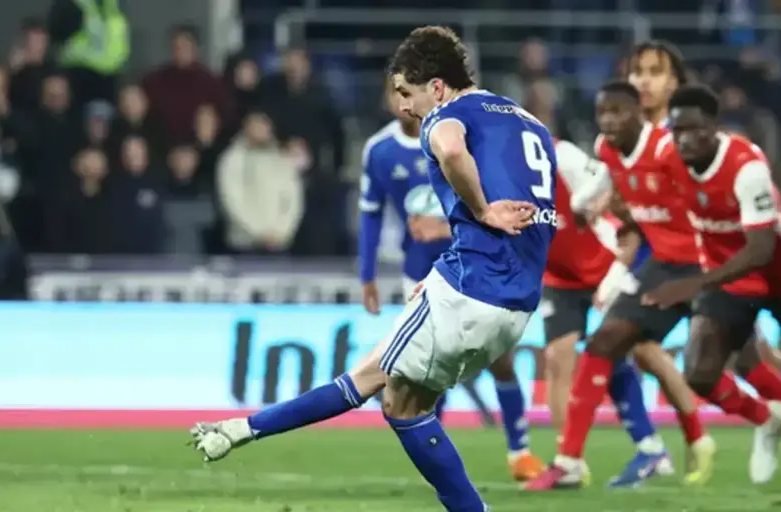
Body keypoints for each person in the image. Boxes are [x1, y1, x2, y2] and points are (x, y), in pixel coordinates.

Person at [193, 26, 555, 511]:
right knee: (405, 403)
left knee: (365, 384)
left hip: (471, 289)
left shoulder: (445, 116)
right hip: (518, 304)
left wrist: (484, 213)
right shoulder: (530, 123)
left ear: (438, 87)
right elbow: (538, 218)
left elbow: (450, 149)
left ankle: (242, 429)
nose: (404, 106)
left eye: (407, 92)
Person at [525, 82, 781, 491]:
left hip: (706, 263)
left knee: (746, 364)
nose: (610, 121)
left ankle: (778, 425)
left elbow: (695, 199)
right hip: (664, 265)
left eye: (620, 111)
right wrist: (598, 208)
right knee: (604, 343)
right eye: (604, 113)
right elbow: (623, 189)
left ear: (641, 114)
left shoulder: (673, 150)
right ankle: (568, 462)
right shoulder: (607, 148)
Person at [359, 80, 544, 481]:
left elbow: (483, 198)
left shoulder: (457, 130)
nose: (403, 102)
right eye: (396, 93)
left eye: (408, 91)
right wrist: (366, 275)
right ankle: (433, 455)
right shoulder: (379, 150)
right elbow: (371, 213)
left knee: (501, 364)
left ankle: (520, 451)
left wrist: (443, 229)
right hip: (420, 272)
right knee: (425, 370)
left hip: (474, 267)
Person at [644, 85, 781, 483]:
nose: (685, 139)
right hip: (729, 279)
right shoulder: (668, 158)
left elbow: (761, 250)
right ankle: (767, 420)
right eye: (677, 130)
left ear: (714, 127)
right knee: (699, 374)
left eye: (694, 130)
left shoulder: (747, 165)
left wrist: (693, 283)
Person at [546, 138, 690, 487]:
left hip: (604, 265)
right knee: (557, 359)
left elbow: (609, 207)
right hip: (558, 276)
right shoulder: (484, 170)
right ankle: (571, 461)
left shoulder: (562, 154)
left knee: (634, 352)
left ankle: (688, 436)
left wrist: (614, 275)